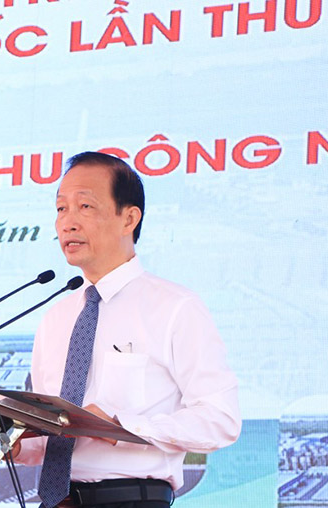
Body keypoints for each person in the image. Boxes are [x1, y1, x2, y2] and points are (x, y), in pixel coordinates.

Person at [12, 151, 241, 508]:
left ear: (129, 218)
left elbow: (220, 419)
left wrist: (123, 426)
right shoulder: (55, 318)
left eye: (84, 207)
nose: (68, 222)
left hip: (130, 498)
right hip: (56, 501)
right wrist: (10, 442)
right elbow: (53, 435)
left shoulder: (175, 307)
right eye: (61, 209)